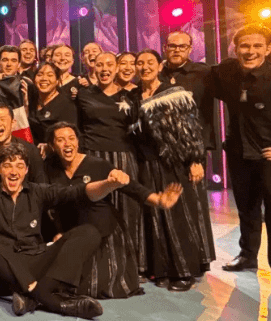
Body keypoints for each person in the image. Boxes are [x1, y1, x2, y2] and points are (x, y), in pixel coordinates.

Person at [0, 141, 129, 319]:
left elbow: (80, 192)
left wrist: (108, 184)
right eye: (7, 166)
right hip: (2, 270)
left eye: (20, 166)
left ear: (27, 170)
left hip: (35, 260)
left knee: (89, 233)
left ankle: (34, 294)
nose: (14, 172)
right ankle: (51, 300)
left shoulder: (38, 191)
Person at [207, 24, 271, 295]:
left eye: (257, 46)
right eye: (245, 46)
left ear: (268, 49)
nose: (250, 51)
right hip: (238, 153)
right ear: (235, 49)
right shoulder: (225, 72)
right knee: (247, 209)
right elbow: (196, 75)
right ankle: (248, 256)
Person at [45, 122, 182, 299]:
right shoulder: (49, 167)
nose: (67, 143)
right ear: (52, 145)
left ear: (78, 142)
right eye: (60, 140)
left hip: (102, 231)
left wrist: (158, 200)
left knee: (96, 288)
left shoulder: (98, 164)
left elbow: (131, 187)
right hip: (72, 234)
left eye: (71, 138)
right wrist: (58, 231)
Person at [133, 49, 213, 292]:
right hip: (147, 164)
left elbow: (191, 128)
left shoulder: (174, 92)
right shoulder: (134, 95)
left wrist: (195, 160)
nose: (144, 67)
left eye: (150, 63)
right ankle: (163, 269)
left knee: (180, 216)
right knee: (155, 218)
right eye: (140, 63)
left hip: (174, 164)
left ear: (160, 66)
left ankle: (184, 271)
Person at [74, 52, 142, 272]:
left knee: (127, 211)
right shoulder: (83, 95)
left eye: (109, 64)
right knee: (95, 209)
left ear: (117, 68)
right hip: (94, 157)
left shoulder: (131, 96)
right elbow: (77, 128)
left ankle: (130, 265)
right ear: (93, 67)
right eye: (99, 64)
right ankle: (95, 264)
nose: (104, 69)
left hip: (123, 158)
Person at [28, 62, 77, 148]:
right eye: (40, 74)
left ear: (57, 80)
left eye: (50, 75)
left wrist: (50, 146)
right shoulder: (30, 101)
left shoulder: (66, 105)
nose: (44, 78)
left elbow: (70, 136)